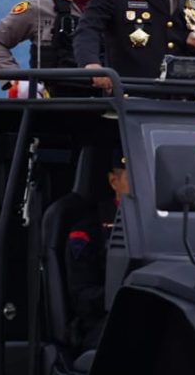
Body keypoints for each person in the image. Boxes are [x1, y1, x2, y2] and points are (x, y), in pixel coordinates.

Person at [65, 148, 127, 348]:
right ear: (113, 182)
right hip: (103, 324)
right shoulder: (88, 230)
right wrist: (126, 295)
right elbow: (81, 296)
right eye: (135, 176)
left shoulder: (173, 223)